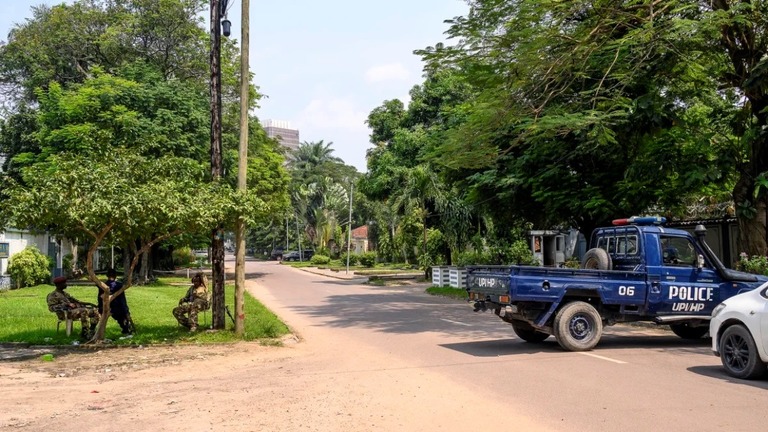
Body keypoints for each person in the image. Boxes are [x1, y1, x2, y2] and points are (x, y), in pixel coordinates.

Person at [97, 269, 134, 335]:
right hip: (117, 308)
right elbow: (122, 300)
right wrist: (126, 311)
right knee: (122, 317)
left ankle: (92, 331)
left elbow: (99, 298)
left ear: (107, 275)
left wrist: (100, 307)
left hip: (104, 307)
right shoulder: (119, 285)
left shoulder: (103, 285)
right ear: (115, 276)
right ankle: (126, 330)